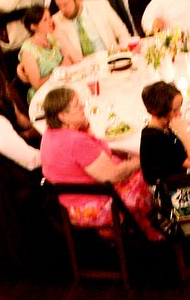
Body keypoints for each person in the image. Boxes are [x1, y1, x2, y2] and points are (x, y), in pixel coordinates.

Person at [38, 86, 163, 239]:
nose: (83, 106)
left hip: (70, 203)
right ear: (63, 116)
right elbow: (114, 175)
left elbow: (98, 155)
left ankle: (138, 227)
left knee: (132, 162)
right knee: (153, 172)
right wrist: (141, 161)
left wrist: (86, 128)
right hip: (92, 207)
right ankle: (148, 229)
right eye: (77, 105)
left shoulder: (50, 134)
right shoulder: (76, 142)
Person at [139, 80, 190, 187]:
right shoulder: (155, 139)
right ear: (159, 111)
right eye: (175, 110)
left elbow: (175, 158)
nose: (179, 113)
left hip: (180, 180)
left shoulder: (161, 130)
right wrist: (184, 133)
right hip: (176, 194)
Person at [52, 0, 131, 60]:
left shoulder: (100, 4)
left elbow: (122, 33)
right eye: (59, 6)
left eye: (65, 4)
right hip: (84, 67)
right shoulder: (56, 22)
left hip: (111, 58)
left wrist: (124, 54)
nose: (62, 10)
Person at [18, 6, 75, 100]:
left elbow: (68, 57)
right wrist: (60, 69)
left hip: (63, 85)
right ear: (33, 26)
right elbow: (37, 85)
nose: (50, 21)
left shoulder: (51, 38)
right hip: (47, 95)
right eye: (45, 20)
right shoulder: (28, 51)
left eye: (50, 17)